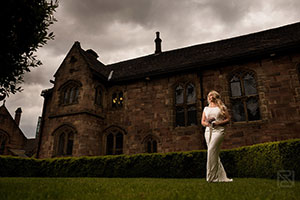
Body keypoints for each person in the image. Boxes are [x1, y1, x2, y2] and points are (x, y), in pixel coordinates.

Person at [201, 90, 233, 182]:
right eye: (209, 95)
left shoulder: (222, 107)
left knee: (211, 150)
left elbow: (228, 119)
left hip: (219, 131)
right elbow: (202, 121)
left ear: (216, 97)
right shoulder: (206, 109)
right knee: (214, 154)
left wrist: (218, 123)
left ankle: (211, 177)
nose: (210, 97)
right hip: (208, 131)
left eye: (212, 95)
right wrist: (208, 124)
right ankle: (221, 177)